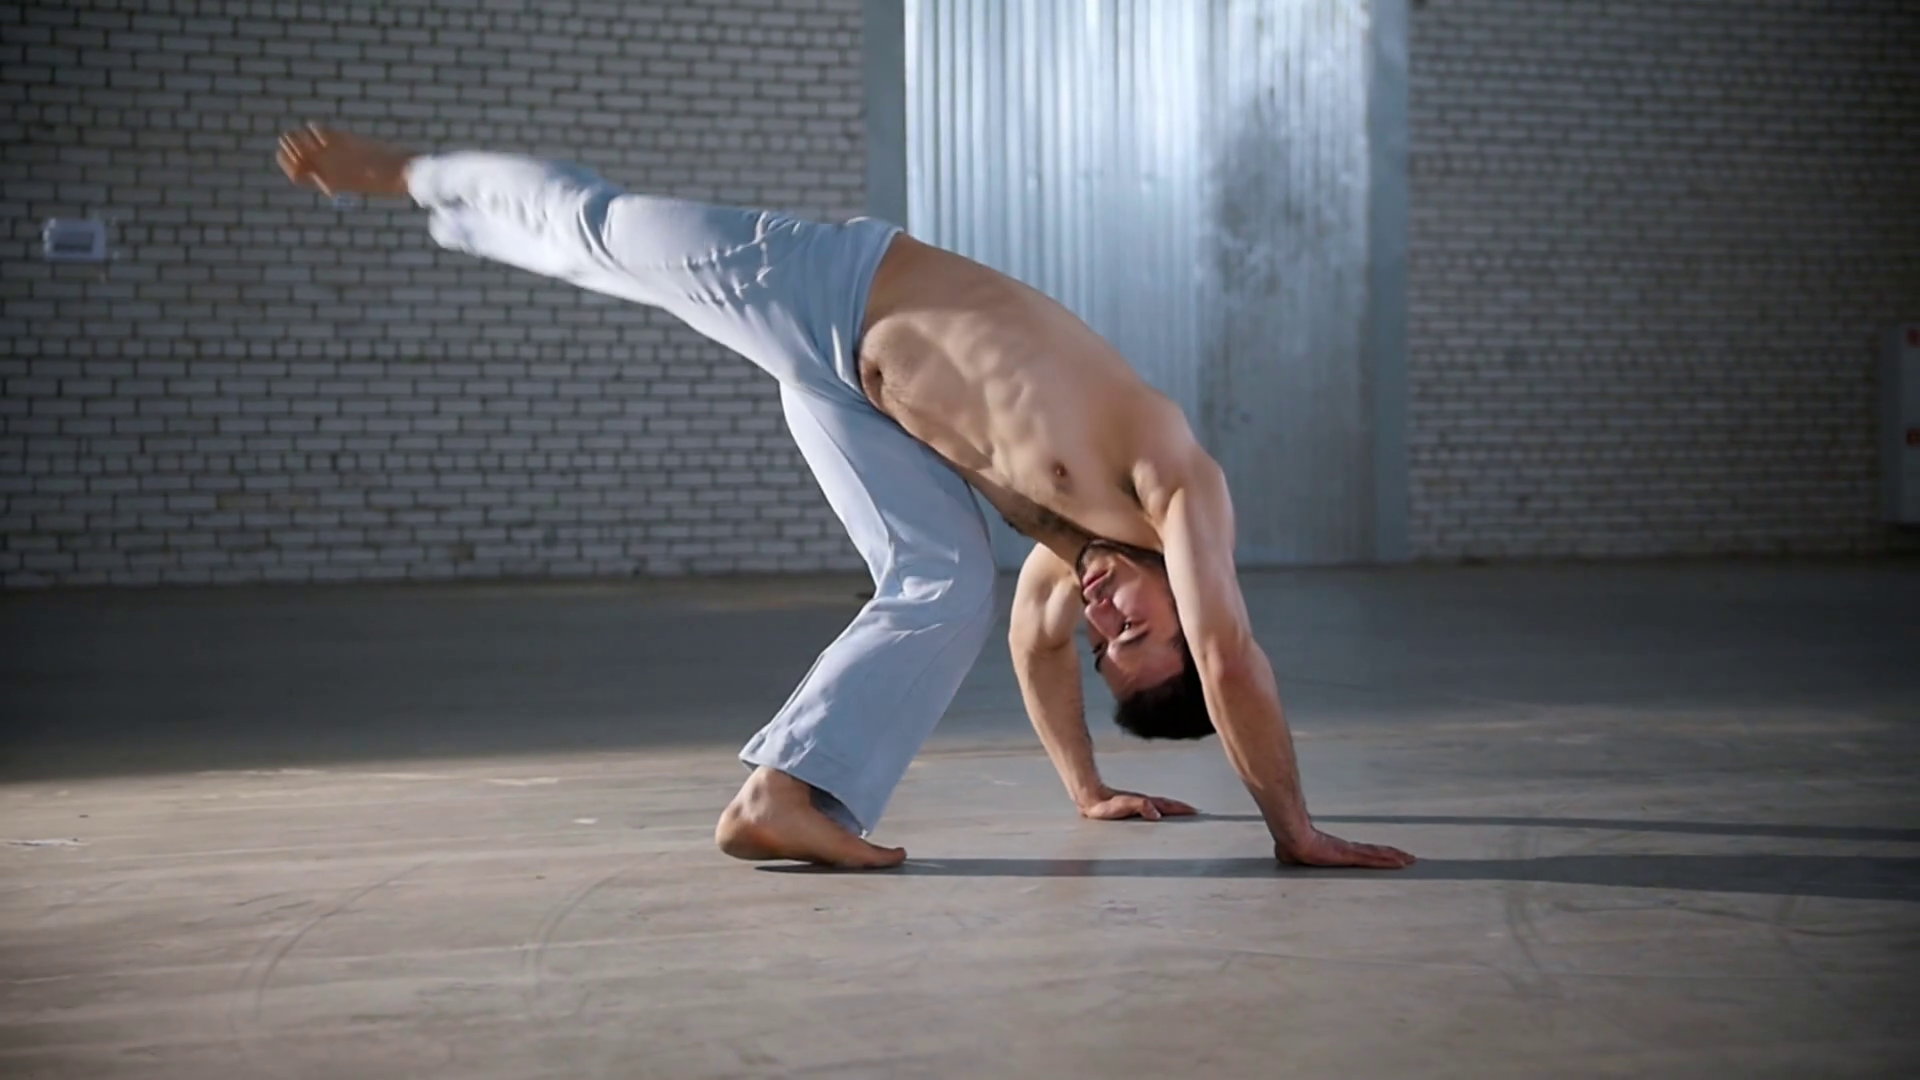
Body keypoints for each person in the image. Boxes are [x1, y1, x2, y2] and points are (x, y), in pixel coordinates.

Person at [275, 126, 1416, 872]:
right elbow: (1231, 661)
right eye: (1137, 629)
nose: (1102, 617)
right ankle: (405, 171)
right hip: (823, 284)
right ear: (1188, 601)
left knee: (946, 582)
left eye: (1104, 645)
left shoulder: (1072, 557)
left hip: (851, 400)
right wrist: (1295, 831)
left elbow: (1031, 649)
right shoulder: (1178, 483)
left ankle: (782, 796)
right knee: (592, 230)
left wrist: (1086, 791)